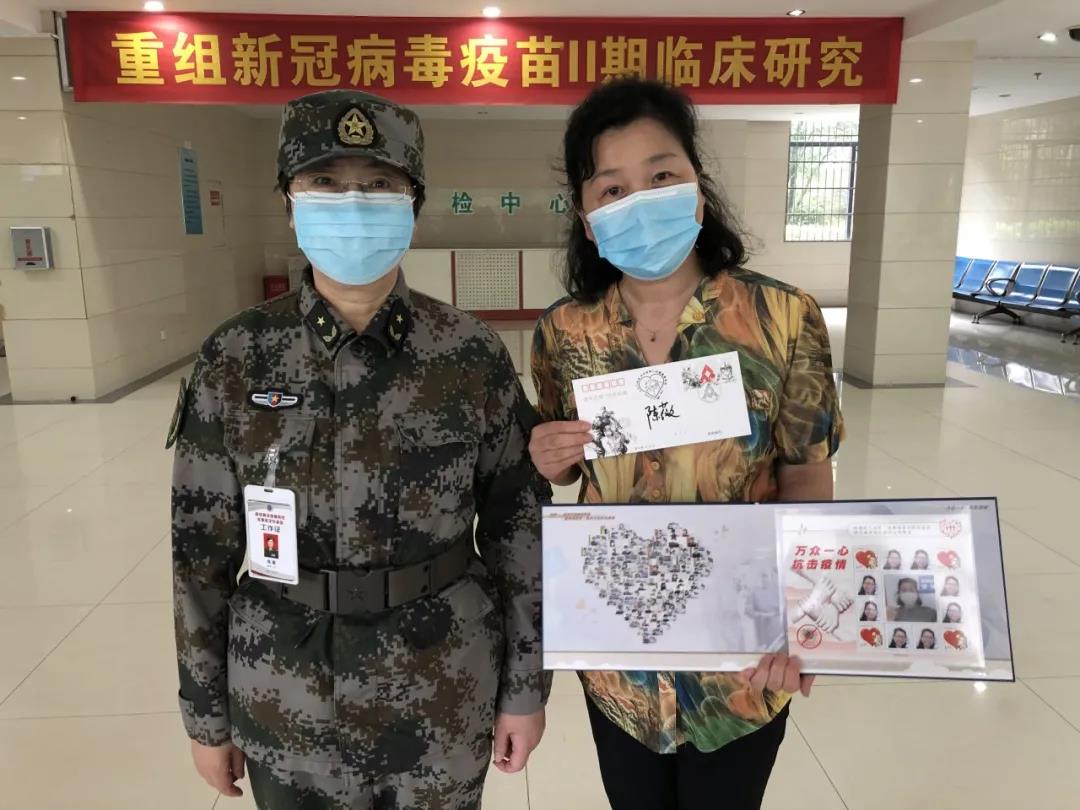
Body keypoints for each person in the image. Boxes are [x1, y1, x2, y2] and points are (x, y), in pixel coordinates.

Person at [169, 89, 550, 810]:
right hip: (285, 694)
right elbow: (200, 553)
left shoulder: (469, 353)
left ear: (413, 204)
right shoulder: (237, 356)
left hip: (443, 688)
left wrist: (525, 689)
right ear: (289, 204)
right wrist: (206, 717)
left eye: (379, 184)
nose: (352, 204)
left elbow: (518, 530)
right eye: (324, 182)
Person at [529, 79, 843, 810]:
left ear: (698, 193)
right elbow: (567, 467)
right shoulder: (565, 332)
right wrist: (550, 458)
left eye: (661, 175)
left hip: (743, 663)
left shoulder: (781, 316)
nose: (639, 201)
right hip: (620, 664)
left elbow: (806, 478)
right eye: (612, 189)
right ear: (587, 218)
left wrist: (805, 617)